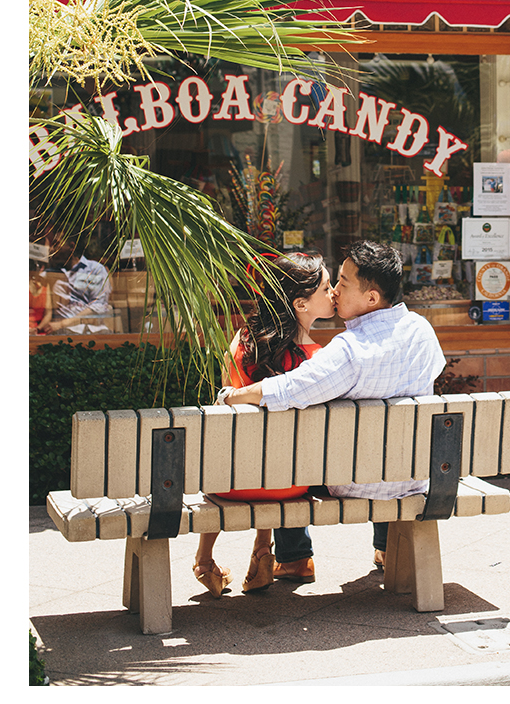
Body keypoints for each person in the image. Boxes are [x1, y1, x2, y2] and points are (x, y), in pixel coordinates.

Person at [218, 240, 445, 572]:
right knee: (386, 447)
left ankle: (294, 556)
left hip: (355, 479)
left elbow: (289, 389)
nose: (335, 291)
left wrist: (233, 396)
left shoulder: (350, 351)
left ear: (371, 298)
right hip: (413, 476)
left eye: (343, 282)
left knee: (294, 446)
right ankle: (386, 548)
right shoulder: (422, 332)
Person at [191, 251, 335, 597]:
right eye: (327, 287)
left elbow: (227, 412)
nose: (334, 294)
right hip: (289, 485)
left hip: (230, 484)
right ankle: (262, 552)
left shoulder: (242, 343)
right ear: (301, 304)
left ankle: (204, 559)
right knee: (280, 456)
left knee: (238, 449)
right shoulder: (320, 360)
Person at [40, 233, 112, 334]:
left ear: (72, 247)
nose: (52, 249)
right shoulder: (51, 273)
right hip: (61, 335)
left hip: (92, 332)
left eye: (56, 244)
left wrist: (63, 324)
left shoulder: (95, 269)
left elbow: (98, 306)